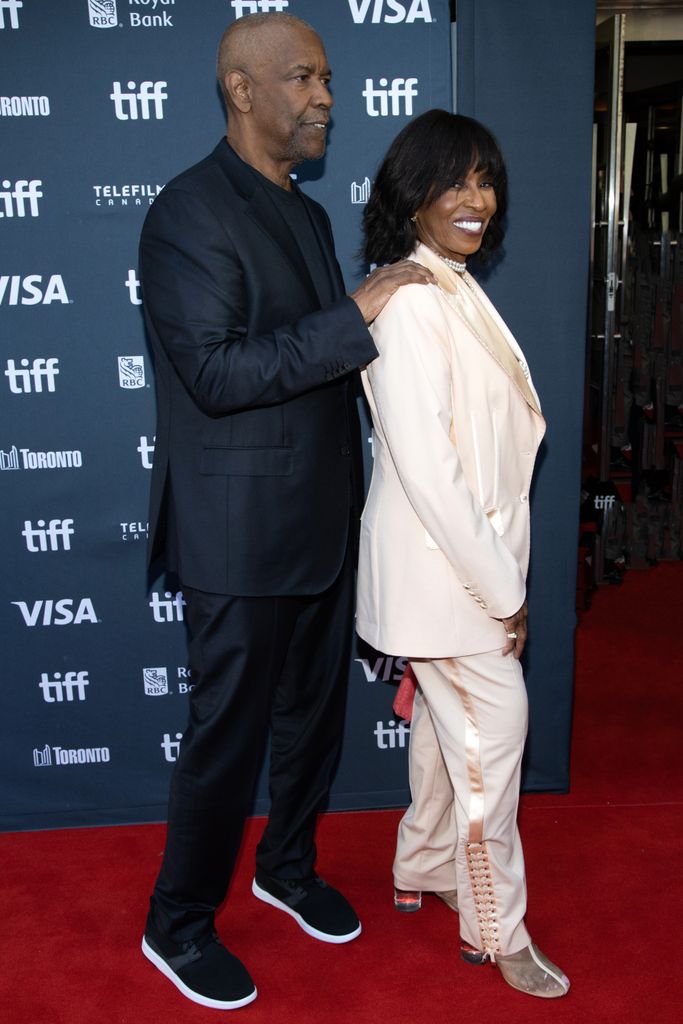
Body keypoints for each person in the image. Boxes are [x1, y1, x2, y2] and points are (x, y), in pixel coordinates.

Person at [138, 12, 433, 1012]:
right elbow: (218, 374)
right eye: (304, 79)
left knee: (311, 723)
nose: (324, 99)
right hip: (233, 532)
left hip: (322, 518)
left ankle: (287, 866)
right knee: (227, 735)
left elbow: (324, 362)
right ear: (242, 90)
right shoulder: (186, 212)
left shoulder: (305, 216)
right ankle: (174, 922)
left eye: (329, 80)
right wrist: (358, 313)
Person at [356, 109, 570, 999]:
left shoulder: (449, 281)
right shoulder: (406, 302)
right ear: (411, 196)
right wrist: (503, 593)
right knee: (492, 746)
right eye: (453, 182)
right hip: (447, 580)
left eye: (484, 180)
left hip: (458, 575)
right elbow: (434, 477)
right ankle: (495, 926)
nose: (475, 199)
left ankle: (422, 864)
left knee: (452, 742)